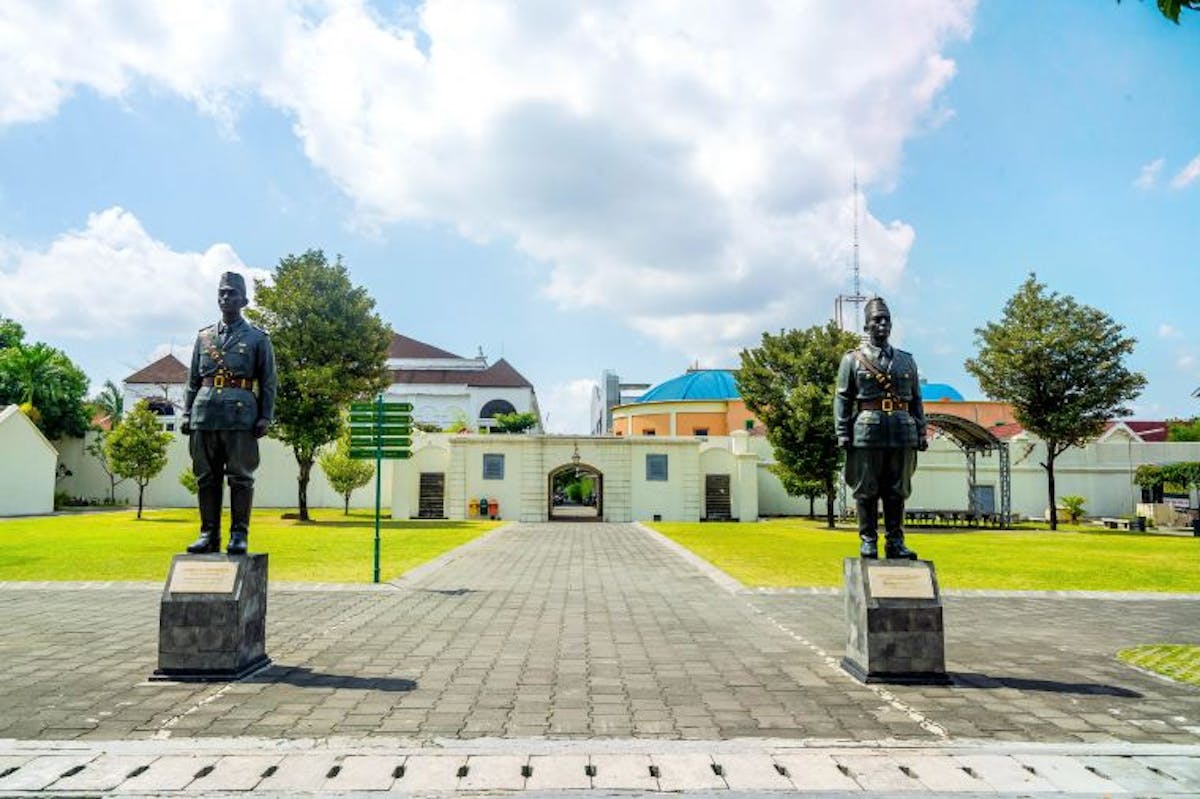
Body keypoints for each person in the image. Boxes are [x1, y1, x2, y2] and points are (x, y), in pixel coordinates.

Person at [181, 272, 277, 556]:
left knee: (240, 477)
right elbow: (193, 380)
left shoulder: (258, 338)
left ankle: (239, 534)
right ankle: (208, 534)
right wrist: (187, 413)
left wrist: (265, 416)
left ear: (243, 300)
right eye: (222, 293)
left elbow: (268, 381)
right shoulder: (204, 337)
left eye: (232, 293)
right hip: (205, 413)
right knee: (206, 478)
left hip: (240, 417)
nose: (225, 298)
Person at [834, 297, 926, 559]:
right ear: (866, 326)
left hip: (901, 431)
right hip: (867, 430)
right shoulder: (853, 360)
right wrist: (842, 431)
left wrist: (921, 430)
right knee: (867, 489)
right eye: (876, 320)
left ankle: (895, 542)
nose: (882, 324)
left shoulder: (907, 361)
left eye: (886, 319)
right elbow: (843, 397)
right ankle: (868, 540)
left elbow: (916, 399)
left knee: (897, 490)